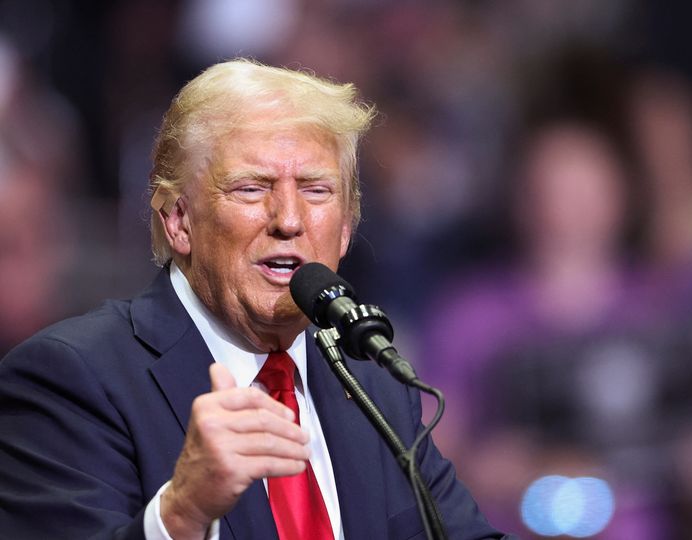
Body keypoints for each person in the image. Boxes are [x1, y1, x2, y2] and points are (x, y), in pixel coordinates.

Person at [0, 59, 504, 540]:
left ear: (347, 228)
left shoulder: (375, 387)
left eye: (316, 190)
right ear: (178, 220)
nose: (288, 218)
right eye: (250, 188)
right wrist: (184, 514)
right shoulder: (70, 380)